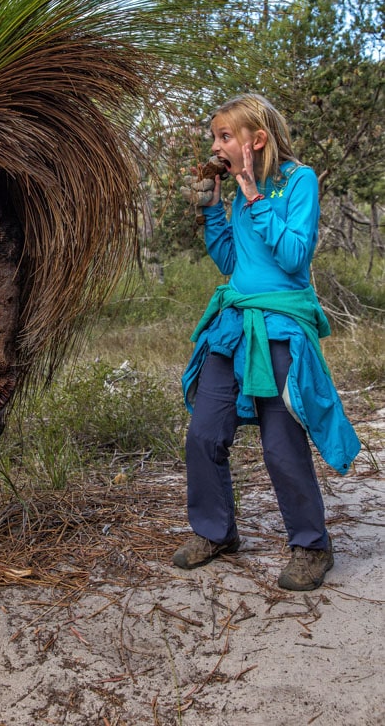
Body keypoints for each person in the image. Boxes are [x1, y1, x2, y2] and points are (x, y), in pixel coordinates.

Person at [174, 94, 360, 591]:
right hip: (233, 323)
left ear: (256, 140)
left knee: (281, 444)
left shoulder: (298, 180)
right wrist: (216, 210)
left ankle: (310, 546)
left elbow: (295, 257)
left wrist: (254, 196)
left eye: (224, 136)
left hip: (280, 325)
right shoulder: (235, 192)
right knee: (205, 433)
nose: (215, 145)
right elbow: (232, 261)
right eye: (214, 137)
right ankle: (215, 532)